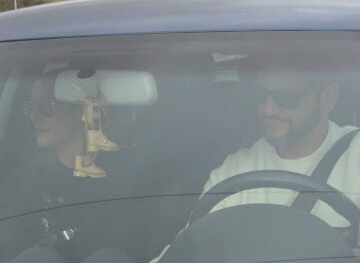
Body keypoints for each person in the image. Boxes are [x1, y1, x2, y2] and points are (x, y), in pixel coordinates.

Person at [149, 67, 360, 262]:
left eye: (286, 99)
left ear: (327, 99)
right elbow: (191, 249)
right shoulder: (233, 171)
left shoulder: (355, 154)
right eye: (260, 96)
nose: (268, 109)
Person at [0, 70, 136, 263]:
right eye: (29, 108)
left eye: (47, 106)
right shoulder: (24, 181)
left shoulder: (125, 179)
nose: (33, 117)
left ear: (83, 111)